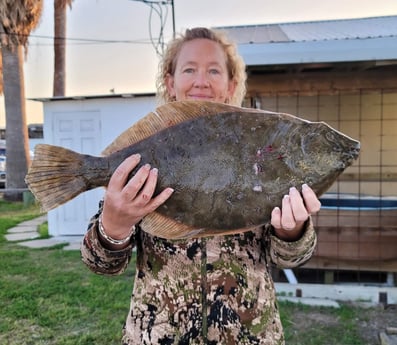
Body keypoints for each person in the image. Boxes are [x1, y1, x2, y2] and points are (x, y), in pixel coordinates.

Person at [81, 27, 321, 345]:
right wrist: (114, 225)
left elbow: (290, 258)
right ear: (171, 82)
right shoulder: (148, 148)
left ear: (231, 84)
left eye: (213, 70)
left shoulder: (260, 146)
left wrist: (292, 231)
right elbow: (101, 263)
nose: (201, 80)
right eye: (189, 69)